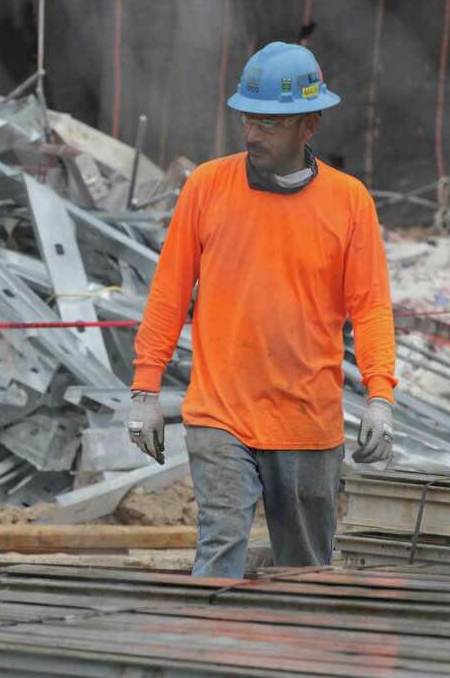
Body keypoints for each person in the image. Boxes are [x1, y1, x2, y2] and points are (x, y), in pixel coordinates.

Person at [126, 42, 397, 578]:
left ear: (309, 125)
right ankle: (207, 656)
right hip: (220, 413)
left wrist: (380, 396)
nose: (253, 133)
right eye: (249, 118)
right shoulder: (207, 187)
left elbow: (370, 309)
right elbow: (169, 292)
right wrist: (145, 389)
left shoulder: (349, 202)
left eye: (271, 123)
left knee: (306, 572)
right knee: (219, 552)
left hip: (307, 422)